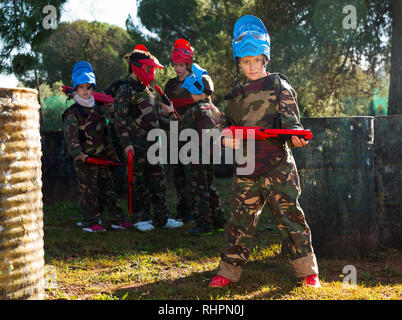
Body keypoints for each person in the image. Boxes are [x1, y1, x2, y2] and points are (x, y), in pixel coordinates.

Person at [208, 15, 320, 288]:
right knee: (238, 222)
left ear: (265, 59)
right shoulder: (235, 95)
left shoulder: (280, 87)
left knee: (290, 218)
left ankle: (308, 272)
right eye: (246, 62)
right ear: (239, 63)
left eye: (256, 60)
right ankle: (228, 272)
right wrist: (225, 138)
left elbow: (293, 127)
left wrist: (296, 139)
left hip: (277, 166)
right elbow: (224, 125)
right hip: (246, 169)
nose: (252, 66)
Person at [114, 47, 183, 232]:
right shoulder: (125, 90)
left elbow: (155, 120)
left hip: (153, 144)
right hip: (136, 146)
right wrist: (127, 145)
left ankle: (163, 217)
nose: (151, 73)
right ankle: (140, 218)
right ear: (136, 67)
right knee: (138, 182)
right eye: (148, 68)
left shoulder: (149, 90)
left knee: (158, 180)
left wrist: (168, 116)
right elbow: (119, 122)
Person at [62, 61, 131, 232]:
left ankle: (117, 219)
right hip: (85, 161)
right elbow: (71, 137)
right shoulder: (73, 113)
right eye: (81, 87)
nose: (85, 91)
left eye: (88, 87)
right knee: (88, 192)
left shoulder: (99, 111)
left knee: (108, 190)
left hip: (102, 159)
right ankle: (90, 222)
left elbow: (106, 135)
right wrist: (79, 154)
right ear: (76, 89)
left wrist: (111, 154)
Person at [162, 60, 226, 235]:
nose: (189, 94)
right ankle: (219, 220)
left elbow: (182, 131)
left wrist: (170, 114)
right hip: (211, 155)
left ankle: (204, 225)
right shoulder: (213, 108)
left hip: (195, 156)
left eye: (191, 91)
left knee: (198, 191)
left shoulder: (194, 110)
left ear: (197, 90)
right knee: (210, 187)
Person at [162, 39, 196, 223]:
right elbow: (164, 107)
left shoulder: (196, 81)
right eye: (175, 65)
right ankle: (182, 209)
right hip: (175, 132)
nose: (178, 68)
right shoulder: (170, 85)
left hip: (192, 132)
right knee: (178, 173)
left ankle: (193, 210)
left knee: (192, 173)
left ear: (188, 64)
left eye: (181, 65)